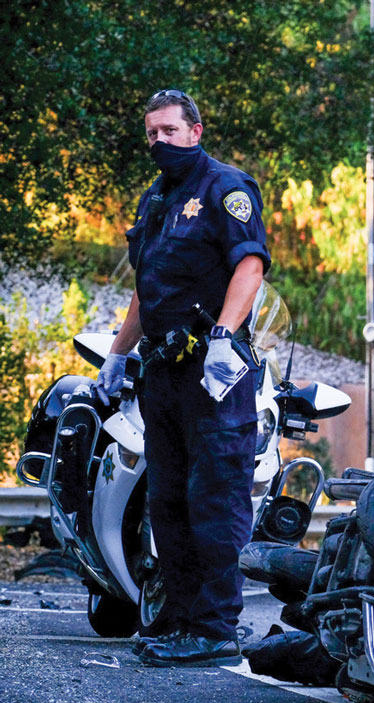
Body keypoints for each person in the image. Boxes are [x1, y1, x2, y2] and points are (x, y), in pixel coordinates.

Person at [93, 89, 270, 667]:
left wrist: (224, 335)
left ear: (196, 132)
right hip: (163, 374)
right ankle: (177, 619)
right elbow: (149, 291)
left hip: (214, 374)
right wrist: (118, 355)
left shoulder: (226, 187)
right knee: (166, 501)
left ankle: (215, 626)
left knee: (213, 499)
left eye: (169, 131)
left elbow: (249, 264)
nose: (159, 142)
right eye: (152, 134)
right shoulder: (156, 198)